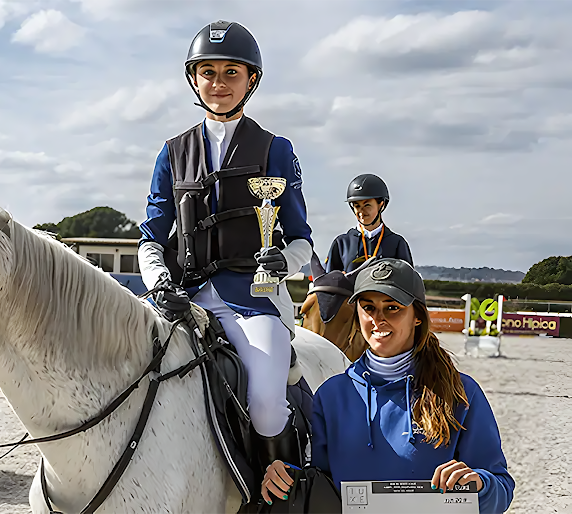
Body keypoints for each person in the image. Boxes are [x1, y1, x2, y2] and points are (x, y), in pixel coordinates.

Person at [137, 20, 314, 472]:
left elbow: (300, 239)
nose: (219, 83)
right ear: (194, 79)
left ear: (251, 79)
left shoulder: (276, 149)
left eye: (231, 72)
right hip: (182, 299)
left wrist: (283, 262)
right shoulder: (171, 151)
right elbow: (151, 237)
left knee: (267, 406)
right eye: (208, 72)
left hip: (252, 301)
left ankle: (280, 493)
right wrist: (159, 283)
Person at [261, 258, 514, 514]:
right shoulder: (331, 395)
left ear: (417, 316)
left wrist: (480, 484)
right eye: (368, 307)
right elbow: (321, 481)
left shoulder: (461, 392)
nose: (378, 319)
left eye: (393, 308)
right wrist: (287, 478)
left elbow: (501, 490)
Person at [325, 174, 412, 273]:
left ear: (381, 205)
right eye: (357, 206)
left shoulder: (397, 243)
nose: (361, 212)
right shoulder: (341, 243)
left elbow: (409, 279)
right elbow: (328, 279)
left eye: (367, 205)